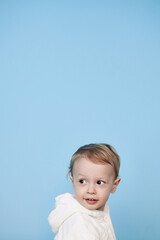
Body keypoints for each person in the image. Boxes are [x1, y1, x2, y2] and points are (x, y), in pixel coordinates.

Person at [48, 143, 121, 240]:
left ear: (114, 185)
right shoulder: (80, 223)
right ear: (73, 182)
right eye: (82, 181)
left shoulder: (99, 213)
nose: (91, 191)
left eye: (99, 182)